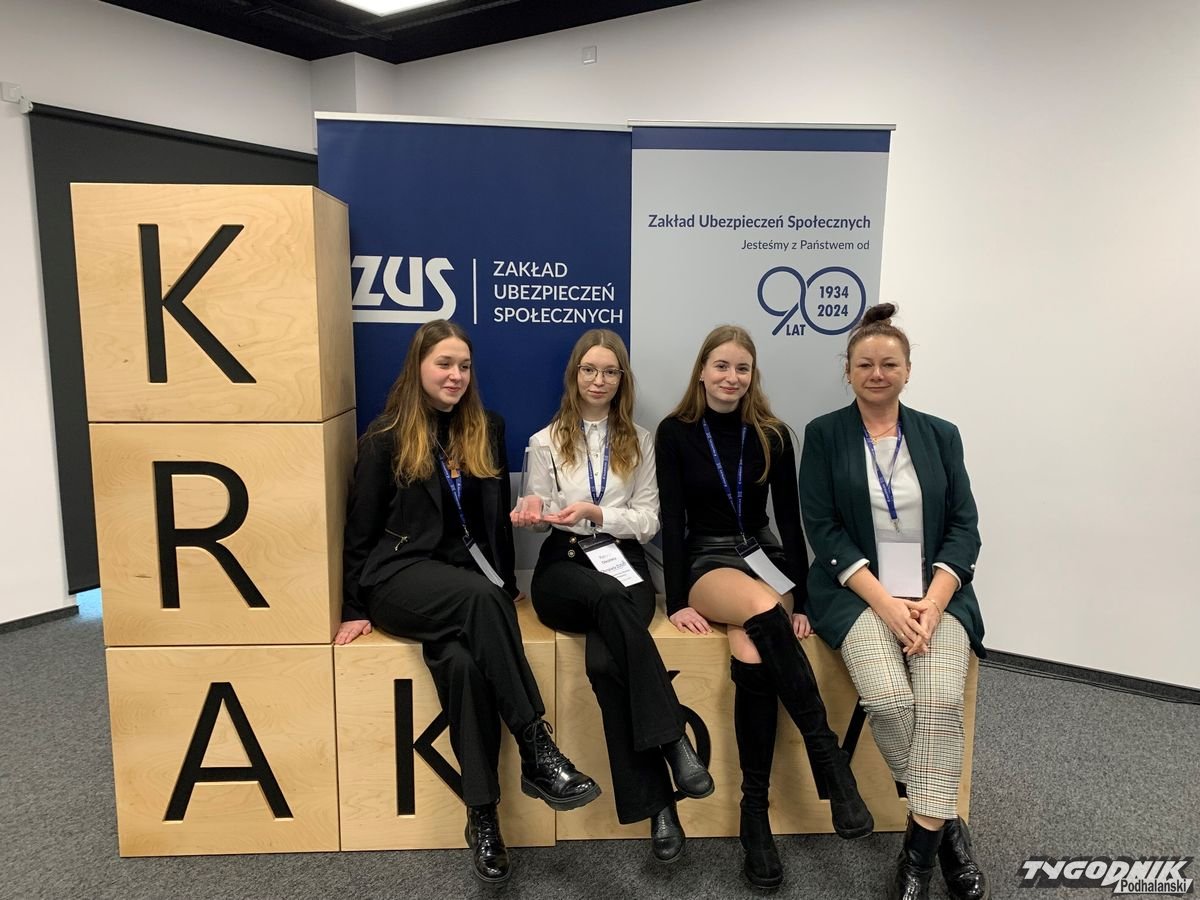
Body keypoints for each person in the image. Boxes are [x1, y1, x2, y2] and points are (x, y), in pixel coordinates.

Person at [335, 319, 600, 885]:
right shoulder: (385, 437)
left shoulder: (486, 428)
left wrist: (504, 581)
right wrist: (353, 607)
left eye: (464, 366)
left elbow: (491, 522)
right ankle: (536, 747)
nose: (455, 375)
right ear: (418, 367)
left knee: (461, 666)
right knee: (481, 600)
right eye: (444, 364)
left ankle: (482, 818)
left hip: (465, 586)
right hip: (398, 579)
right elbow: (359, 532)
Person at [655, 325, 873, 891]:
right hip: (708, 560)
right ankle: (828, 758)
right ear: (703, 371)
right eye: (721, 366)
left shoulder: (773, 434)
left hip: (763, 555)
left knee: (753, 650)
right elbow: (674, 521)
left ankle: (754, 815)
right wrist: (676, 599)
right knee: (757, 606)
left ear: (753, 376)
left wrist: (800, 597)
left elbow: (790, 521)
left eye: (742, 368)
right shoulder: (675, 432)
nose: (731, 378)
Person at [798, 303, 989, 900]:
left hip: (936, 597)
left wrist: (933, 602)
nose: (877, 374)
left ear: (907, 370)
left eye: (889, 364)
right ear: (848, 371)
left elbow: (964, 526)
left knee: (939, 701)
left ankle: (918, 858)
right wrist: (885, 603)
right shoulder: (824, 434)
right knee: (887, 699)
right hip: (856, 594)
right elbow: (822, 527)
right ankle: (948, 829)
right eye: (865, 364)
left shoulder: (941, 435)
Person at [511, 329, 714, 864]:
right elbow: (538, 516)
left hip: (623, 563)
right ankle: (673, 741)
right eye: (589, 370)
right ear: (574, 375)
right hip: (562, 569)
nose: (598, 380)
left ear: (622, 379)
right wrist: (534, 512)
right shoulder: (545, 440)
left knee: (605, 665)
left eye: (609, 372)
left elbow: (648, 521)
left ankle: (659, 807)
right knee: (605, 597)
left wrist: (598, 514)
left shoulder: (641, 441)